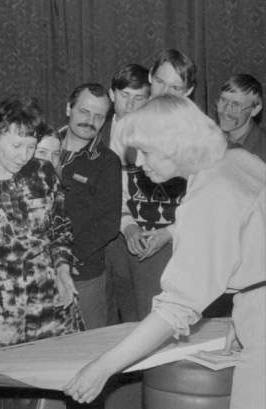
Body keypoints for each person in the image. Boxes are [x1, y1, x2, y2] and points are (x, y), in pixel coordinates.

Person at [64, 94, 266, 409]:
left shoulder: (209, 195)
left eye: (145, 152)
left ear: (175, 144)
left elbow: (176, 308)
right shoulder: (236, 160)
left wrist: (103, 367)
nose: (139, 163)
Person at [0, 95, 84, 408]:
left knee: (62, 393)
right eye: (16, 146)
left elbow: (60, 229)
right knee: (7, 399)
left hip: (51, 304)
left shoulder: (44, 173)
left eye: (30, 146)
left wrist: (63, 269)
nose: (24, 156)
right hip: (0, 315)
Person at [116, 49, 197, 319]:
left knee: (169, 324)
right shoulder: (128, 126)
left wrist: (170, 233)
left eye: (176, 87)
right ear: (150, 77)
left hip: (179, 246)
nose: (164, 92)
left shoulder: (198, 134)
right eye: (160, 82)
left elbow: (206, 204)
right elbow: (118, 188)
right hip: (133, 242)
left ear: (188, 91)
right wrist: (128, 226)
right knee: (129, 323)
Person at [57, 83, 121, 329]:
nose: (90, 121)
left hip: (83, 275)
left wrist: (64, 260)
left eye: (99, 116)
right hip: (34, 272)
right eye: (84, 111)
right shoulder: (39, 147)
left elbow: (108, 224)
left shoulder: (107, 162)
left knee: (88, 345)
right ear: (68, 108)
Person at [102, 64, 151, 324]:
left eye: (139, 98)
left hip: (141, 237)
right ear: (112, 94)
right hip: (100, 241)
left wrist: (130, 225)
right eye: (125, 96)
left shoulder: (157, 138)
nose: (130, 105)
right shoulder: (94, 132)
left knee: (138, 313)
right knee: (104, 317)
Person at [216, 73, 266, 162]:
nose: (226, 110)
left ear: (255, 110)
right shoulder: (208, 137)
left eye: (236, 104)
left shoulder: (262, 152)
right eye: (223, 100)